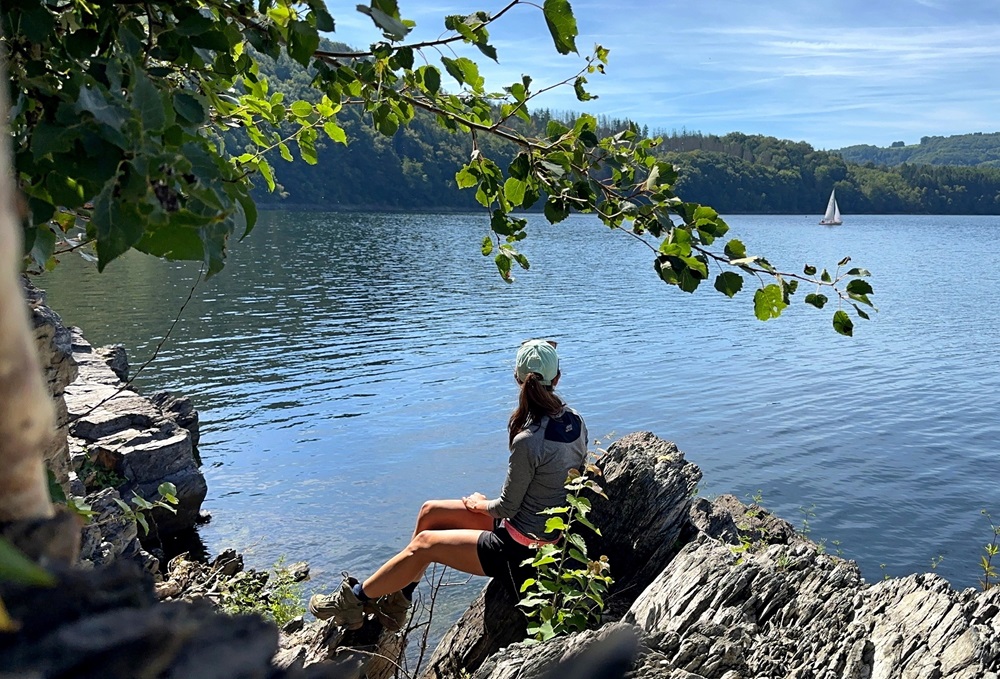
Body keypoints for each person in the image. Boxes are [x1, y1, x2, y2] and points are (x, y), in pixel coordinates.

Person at [309, 339, 589, 631]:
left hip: (519, 552)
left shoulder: (528, 440)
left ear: (517, 380)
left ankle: (353, 599)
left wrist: (479, 504)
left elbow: (507, 506)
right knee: (430, 512)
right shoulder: (576, 421)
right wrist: (488, 507)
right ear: (557, 378)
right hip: (524, 528)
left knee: (424, 545)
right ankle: (397, 603)